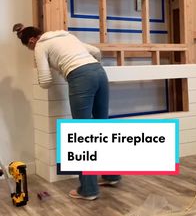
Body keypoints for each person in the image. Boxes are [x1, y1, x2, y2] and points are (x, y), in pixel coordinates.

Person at [13, 23, 121, 200]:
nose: (33, 50)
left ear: (32, 40)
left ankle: (89, 190)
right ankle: (112, 176)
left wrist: (56, 71)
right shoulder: (66, 36)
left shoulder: (41, 45)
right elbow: (96, 52)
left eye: (30, 48)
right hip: (100, 73)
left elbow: (46, 80)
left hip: (80, 78)